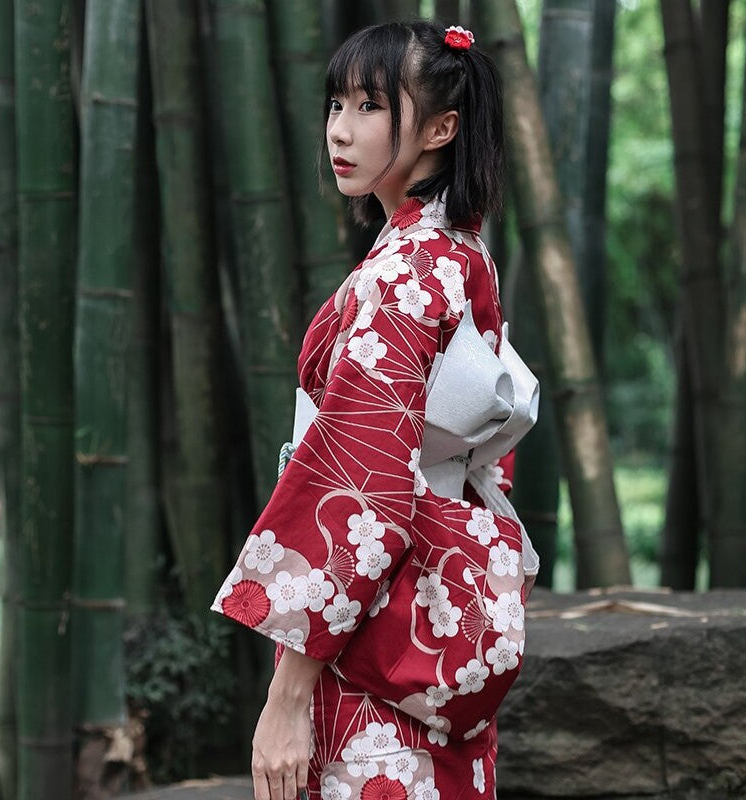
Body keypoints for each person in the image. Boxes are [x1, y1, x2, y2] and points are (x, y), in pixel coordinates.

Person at [210, 19, 539, 800]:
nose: (340, 130)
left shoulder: (405, 275)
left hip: (373, 646)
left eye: (368, 106)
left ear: (439, 128)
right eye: (336, 104)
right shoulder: (456, 252)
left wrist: (287, 698)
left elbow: (360, 487)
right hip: (430, 619)